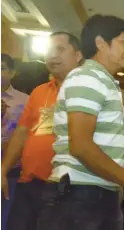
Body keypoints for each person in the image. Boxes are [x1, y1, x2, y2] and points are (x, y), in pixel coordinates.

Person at [37, 14, 124, 230]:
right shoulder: (88, 77)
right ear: (100, 43)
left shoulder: (102, 81)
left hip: (93, 194)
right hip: (80, 196)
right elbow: (81, 145)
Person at [1, 32, 83, 230]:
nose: (52, 56)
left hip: (64, 190)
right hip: (27, 182)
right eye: (49, 50)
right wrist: (3, 170)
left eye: (60, 49)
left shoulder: (86, 91)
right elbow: (21, 133)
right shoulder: (39, 92)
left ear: (78, 55)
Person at [1, 53, 29, 229]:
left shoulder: (25, 101)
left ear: (12, 72)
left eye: (2, 68)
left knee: (7, 218)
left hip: (12, 169)